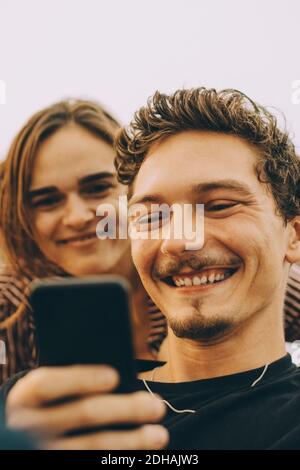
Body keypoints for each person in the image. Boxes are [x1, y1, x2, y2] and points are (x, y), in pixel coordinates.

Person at [2, 88, 300, 450]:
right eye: (153, 215)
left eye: (220, 205)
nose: (177, 240)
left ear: (294, 235)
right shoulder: (31, 406)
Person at [0, 99, 167, 385]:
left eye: (97, 188)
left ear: (136, 188)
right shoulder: (8, 306)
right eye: (48, 201)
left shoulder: (190, 275)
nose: (77, 217)